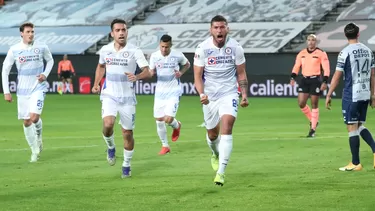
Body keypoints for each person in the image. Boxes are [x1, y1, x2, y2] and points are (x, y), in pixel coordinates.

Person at [91, 19, 151, 178]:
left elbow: (148, 71)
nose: (121, 33)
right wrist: (96, 83)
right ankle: (110, 147)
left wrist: (137, 76)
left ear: (127, 32)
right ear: (112, 33)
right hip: (109, 95)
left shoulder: (134, 50)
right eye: (118, 30)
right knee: (108, 124)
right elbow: (101, 66)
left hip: (128, 98)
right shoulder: (105, 50)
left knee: (127, 133)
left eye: (124, 30)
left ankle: (126, 164)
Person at [193, 15, 249, 186]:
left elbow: (241, 73)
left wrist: (244, 94)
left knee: (227, 126)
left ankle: (221, 172)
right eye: (216, 27)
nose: (219, 30)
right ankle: (216, 153)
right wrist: (202, 94)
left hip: (229, 93)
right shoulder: (202, 48)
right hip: (209, 96)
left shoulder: (236, 47)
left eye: (222, 27)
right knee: (212, 134)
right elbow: (197, 76)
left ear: (227, 29)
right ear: (211, 30)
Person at [325, 22, 375, 171]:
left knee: (351, 127)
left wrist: (328, 94)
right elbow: (373, 75)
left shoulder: (345, 52)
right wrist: (373, 95)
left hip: (352, 94)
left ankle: (355, 163)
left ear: (346, 35)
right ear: (358, 34)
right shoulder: (368, 51)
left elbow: (337, 76)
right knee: (359, 125)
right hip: (365, 93)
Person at [1, 22, 54, 162]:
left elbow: (50, 60)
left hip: (38, 86)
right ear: (21, 33)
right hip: (22, 90)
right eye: (28, 32)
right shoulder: (14, 49)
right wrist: (6, 91)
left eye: (32, 32)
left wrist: (45, 74)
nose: (31, 34)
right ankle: (34, 150)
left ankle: (39, 136)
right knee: (26, 122)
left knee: (34, 117)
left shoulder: (41, 46)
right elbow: (5, 70)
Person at [149, 34, 190, 155]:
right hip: (159, 93)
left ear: (170, 45)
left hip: (173, 91)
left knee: (168, 119)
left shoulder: (177, 54)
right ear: (159, 45)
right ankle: (165, 146)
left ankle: (177, 126)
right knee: (159, 120)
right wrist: (149, 73)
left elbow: (187, 64)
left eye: (166, 47)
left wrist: (181, 72)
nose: (164, 49)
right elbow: (151, 71)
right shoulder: (154, 56)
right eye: (162, 46)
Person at [290, 34, 330, 137]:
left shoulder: (321, 53)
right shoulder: (302, 53)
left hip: (315, 80)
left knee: (314, 104)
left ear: (316, 42)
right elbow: (296, 66)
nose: (311, 42)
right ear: (307, 41)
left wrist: (325, 81)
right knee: (301, 103)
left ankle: (312, 129)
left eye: (313, 40)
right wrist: (293, 77)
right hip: (304, 79)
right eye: (309, 40)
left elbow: (326, 68)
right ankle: (313, 121)